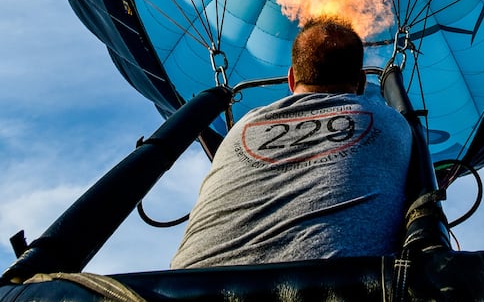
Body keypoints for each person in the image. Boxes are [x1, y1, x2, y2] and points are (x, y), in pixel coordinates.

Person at [171, 17, 413, 268]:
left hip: (186, 296)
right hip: (342, 297)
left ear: (291, 78)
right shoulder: (392, 121)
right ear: (362, 82)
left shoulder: (241, 126)